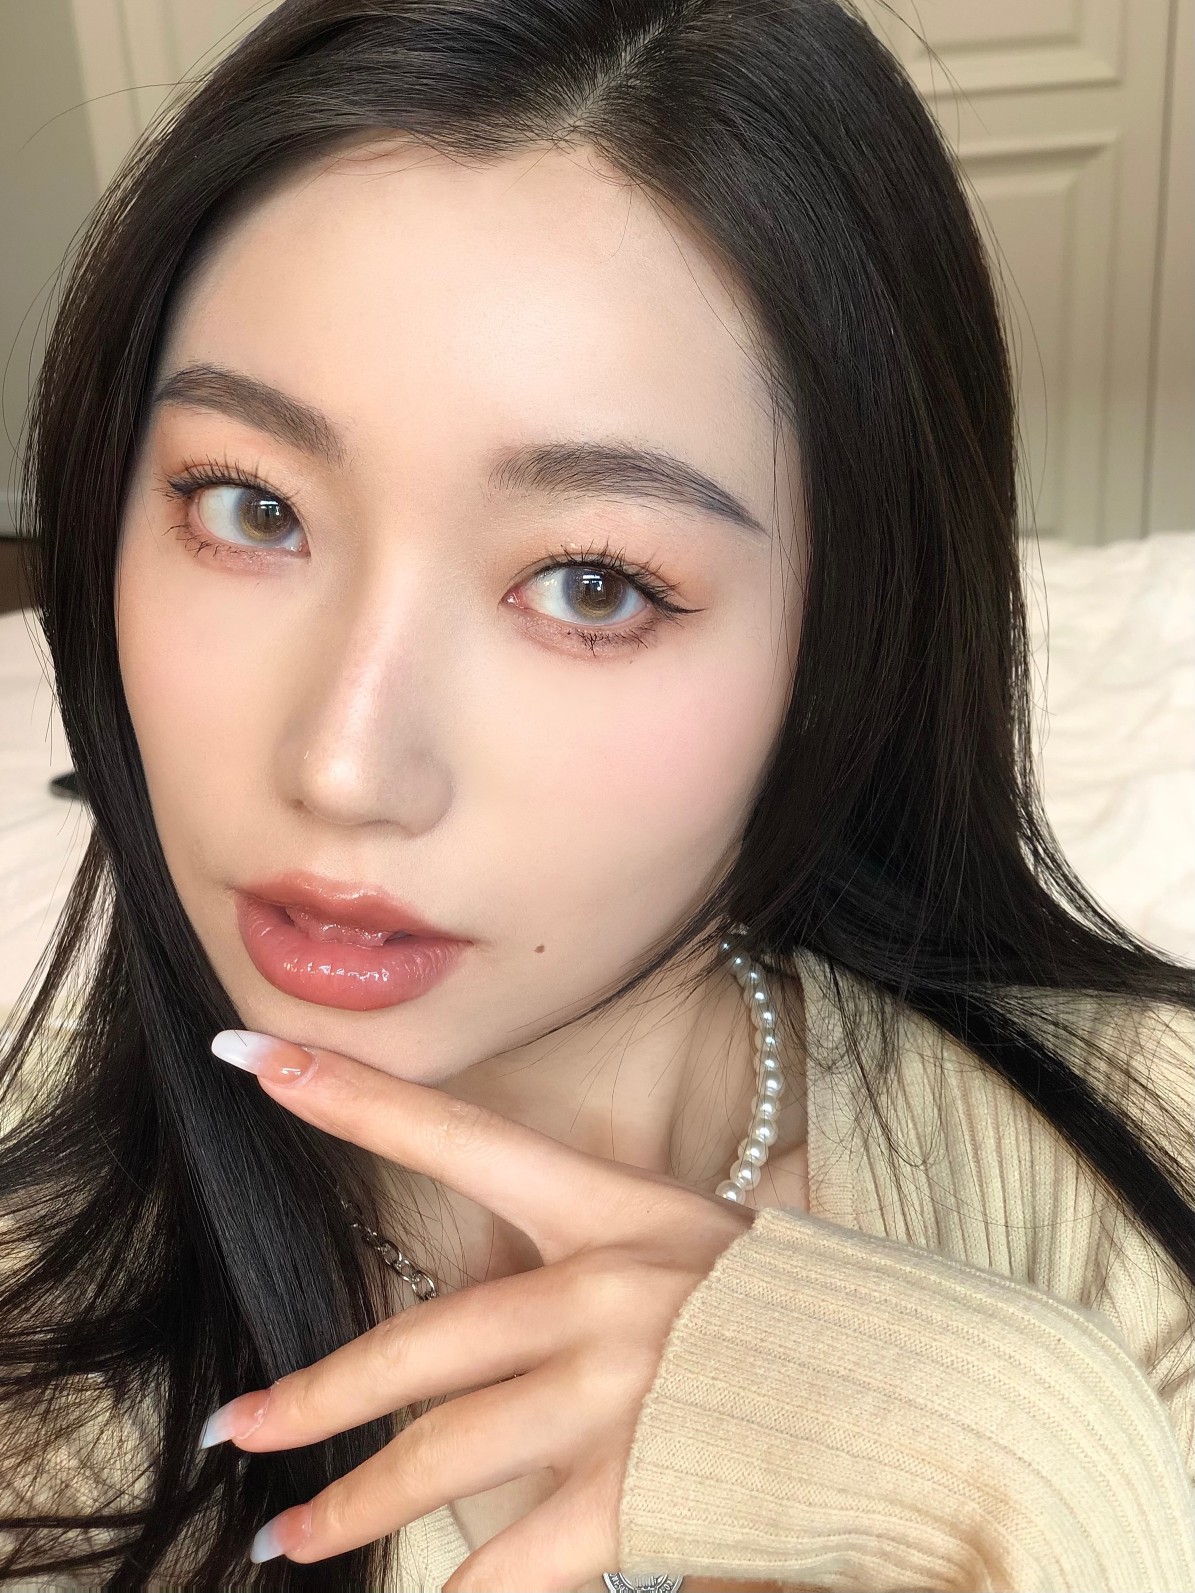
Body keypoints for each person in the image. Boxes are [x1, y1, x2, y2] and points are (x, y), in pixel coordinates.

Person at [1, 1, 1192, 1589]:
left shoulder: (1151, 1160)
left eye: (592, 584)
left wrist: (1022, 1455)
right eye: (251, 506)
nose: (342, 766)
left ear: (847, 642)